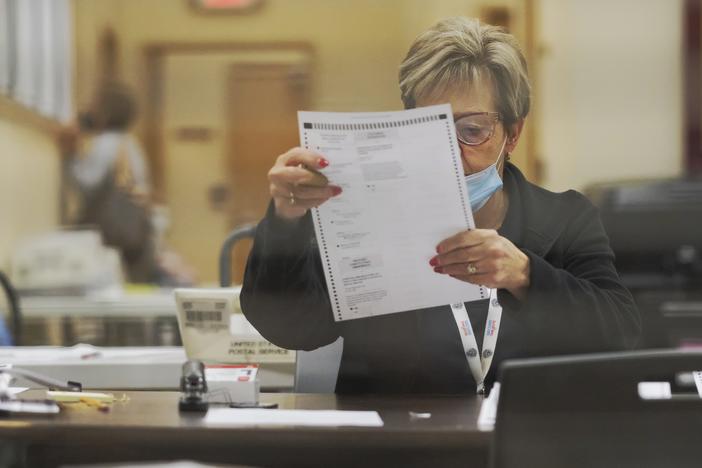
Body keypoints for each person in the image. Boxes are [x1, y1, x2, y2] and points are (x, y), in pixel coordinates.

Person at [240, 17, 641, 394]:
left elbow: (620, 332)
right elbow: (291, 328)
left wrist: (526, 275)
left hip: (521, 445)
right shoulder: (368, 219)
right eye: (430, 129)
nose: (449, 152)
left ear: (512, 134)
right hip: (394, 447)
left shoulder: (563, 219)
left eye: (471, 131)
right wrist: (287, 220)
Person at [58, 80, 158, 283]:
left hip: (110, 234)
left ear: (104, 112)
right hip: (135, 233)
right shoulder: (130, 143)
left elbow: (87, 182)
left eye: (92, 105)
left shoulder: (105, 143)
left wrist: (69, 156)